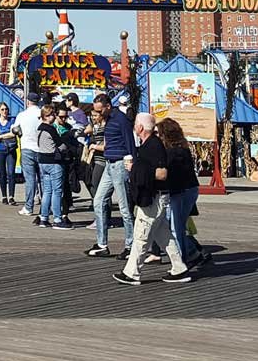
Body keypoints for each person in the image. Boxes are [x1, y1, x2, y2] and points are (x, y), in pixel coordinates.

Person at [114, 113, 192, 285]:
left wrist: (135, 169)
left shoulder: (153, 146)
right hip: (154, 197)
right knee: (163, 234)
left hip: (153, 198)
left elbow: (162, 174)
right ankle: (179, 269)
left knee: (141, 235)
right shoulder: (147, 145)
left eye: (135, 124)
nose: (134, 127)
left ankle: (132, 273)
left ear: (140, 127)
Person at [86, 92, 136, 258]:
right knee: (98, 200)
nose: (98, 114)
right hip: (109, 163)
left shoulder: (121, 120)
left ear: (108, 107)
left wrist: (132, 163)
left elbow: (130, 141)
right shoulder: (108, 119)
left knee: (124, 208)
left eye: (100, 111)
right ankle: (102, 244)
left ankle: (130, 245)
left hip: (120, 164)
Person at [155, 118, 205, 267]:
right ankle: (190, 254)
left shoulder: (172, 152)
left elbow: (169, 173)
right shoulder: (182, 148)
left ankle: (181, 262)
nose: (157, 136)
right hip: (189, 189)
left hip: (180, 191)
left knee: (176, 228)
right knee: (179, 226)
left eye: (159, 133)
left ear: (165, 134)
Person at [34, 105, 75, 229]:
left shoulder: (39, 128)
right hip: (54, 162)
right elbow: (61, 145)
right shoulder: (51, 129)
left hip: (42, 161)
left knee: (47, 190)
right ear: (47, 115)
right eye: (53, 114)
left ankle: (44, 218)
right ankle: (57, 219)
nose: (54, 116)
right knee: (57, 191)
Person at [13, 98, 42, 217]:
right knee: (43, 180)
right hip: (41, 149)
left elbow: (15, 129)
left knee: (30, 180)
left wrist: (20, 133)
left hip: (27, 148)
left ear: (28, 101)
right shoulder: (41, 113)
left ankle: (29, 207)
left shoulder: (22, 115)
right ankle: (46, 207)